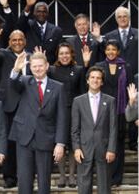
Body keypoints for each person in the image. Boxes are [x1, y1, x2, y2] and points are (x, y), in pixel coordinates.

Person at [9, 52, 67, 194]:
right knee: (24, 180)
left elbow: (62, 117)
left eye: (40, 66)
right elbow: (13, 84)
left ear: (47, 66)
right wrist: (16, 70)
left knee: (44, 181)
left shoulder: (58, 87)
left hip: (46, 138)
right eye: (34, 66)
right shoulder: (24, 81)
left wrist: (60, 143)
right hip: (24, 138)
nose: (38, 69)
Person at [0, 28, 30, 188]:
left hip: (28, 104)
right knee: (10, 142)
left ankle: (26, 175)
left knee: (26, 142)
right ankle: (9, 177)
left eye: (20, 40)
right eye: (14, 40)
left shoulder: (32, 56)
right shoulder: (3, 54)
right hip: (9, 105)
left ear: (25, 41)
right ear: (9, 42)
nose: (17, 42)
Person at [71, 66, 117, 194]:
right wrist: (76, 148)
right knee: (84, 186)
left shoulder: (110, 101)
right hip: (84, 149)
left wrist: (111, 149)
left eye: (98, 78)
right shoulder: (78, 101)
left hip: (104, 148)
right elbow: (75, 129)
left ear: (102, 82)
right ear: (87, 80)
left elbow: (113, 128)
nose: (95, 80)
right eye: (92, 77)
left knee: (104, 186)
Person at [95, 39, 133, 186]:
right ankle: (105, 177)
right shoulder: (99, 66)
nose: (110, 52)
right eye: (108, 49)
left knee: (118, 144)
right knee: (103, 142)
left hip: (120, 111)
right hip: (102, 110)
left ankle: (116, 178)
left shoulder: (126, 67)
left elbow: (131, 88)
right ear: (104, 51)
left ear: (118, 51)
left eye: (113, 49)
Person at [48, 42, 86, 188]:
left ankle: (72, 176)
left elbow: (83, 92)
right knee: (60, 143)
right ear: (58, 55)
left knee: (72, 143)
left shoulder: (79, 70)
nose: (64, 56)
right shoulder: (52, 70)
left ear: (71, 54)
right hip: (57, 112)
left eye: (67, 53)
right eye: (61, 53)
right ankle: (62, 176)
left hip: (74, 111)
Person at [17, 0, 63, 64]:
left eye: (44, 12)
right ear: (34, 13)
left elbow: (59, 52)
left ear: (47, 14)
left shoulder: (56, 30)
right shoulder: (28, 25)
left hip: (49, 67)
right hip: (30, 65)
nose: (41, 14)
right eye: (38, 11)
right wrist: (28, 6)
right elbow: (20, 24)